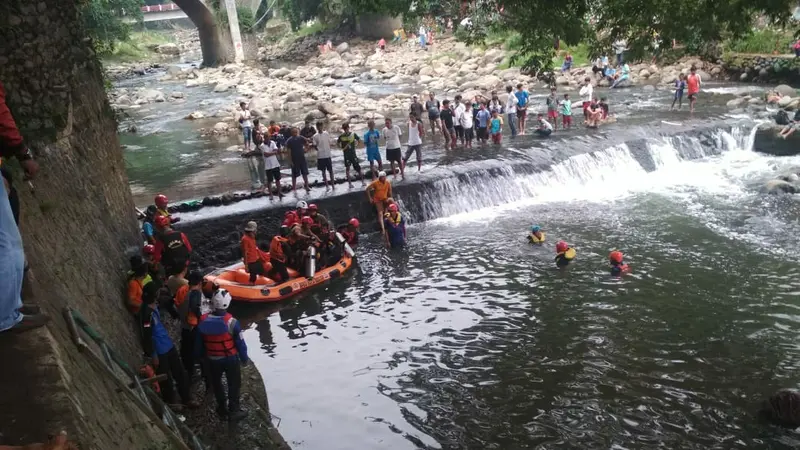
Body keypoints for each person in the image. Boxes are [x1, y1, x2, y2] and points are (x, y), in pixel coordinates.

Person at [140, 282, 198, 409]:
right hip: (159, 350)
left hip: (167, 344)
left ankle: (186, 398)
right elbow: (147, 336)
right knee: (166, 379)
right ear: (154, 294)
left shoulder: (154, 306)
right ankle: (171, 402)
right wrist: (153, 354)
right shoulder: (146, 314)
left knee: (180, 372)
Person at [196, 289, 249, 422]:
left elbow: (199, 343)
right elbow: (240, 343)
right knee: (234, 384)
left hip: (212, 359)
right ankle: (234, 410)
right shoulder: (232, 322)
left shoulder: (202, 320)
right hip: (230, 358)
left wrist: (200, 357)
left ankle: (221, 408)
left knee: (217, 383)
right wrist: (244, 358)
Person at [173, 270, 204, 377]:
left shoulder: (182, 290)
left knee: (185, 345)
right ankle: (190, 371)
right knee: (192, 347)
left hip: (183, 322)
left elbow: (176, 303)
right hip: (192, 325)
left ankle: (186, 365)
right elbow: (195, 307)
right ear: (200, 283)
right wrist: (201, 316)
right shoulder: (195, 294)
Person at [337, 123, 366, 187]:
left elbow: (359, 140)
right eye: (345, 129)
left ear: (348, 128)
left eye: (346, 128)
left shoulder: (353, 134)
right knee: (348, 168)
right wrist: (341, 148)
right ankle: (350, 184)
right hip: (346, 155)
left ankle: (363, 182)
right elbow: (337, 143)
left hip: (353, 155)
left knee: (358, 168)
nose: (346, 130)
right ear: (343, 129)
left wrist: (357, 145)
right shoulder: (341, 136)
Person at [285, 128, 311, 192]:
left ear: (298, 132)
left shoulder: (300, 137)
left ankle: (307, 186)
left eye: (296, 132)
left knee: (304, 173)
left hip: (302, 158)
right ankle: (294, 188)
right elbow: (288, 151)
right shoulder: (289, 140)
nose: (295, 133)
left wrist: (306, 149)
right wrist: (290, 161)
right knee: (294, 175)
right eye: (293, 132)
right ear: (291, 133)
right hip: (294, 159)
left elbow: (307, 142)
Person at [312, 122, 335, 190]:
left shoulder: (326, 133)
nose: (319, 128)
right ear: (316, 127)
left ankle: (333, 185)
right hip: (321, 156)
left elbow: (329, 142)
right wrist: (319, 150)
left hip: (328, 155)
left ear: (322, 126)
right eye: (318, 126)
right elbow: (314, 145)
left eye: (320, 126)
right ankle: (327, 185)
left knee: (330, 170)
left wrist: (329, 149)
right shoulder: (315, 136)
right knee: (323, 171)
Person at [243, 123, 265, 192]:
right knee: (256, 169)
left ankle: (258, 183)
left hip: (258, 156)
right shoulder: (257, 137)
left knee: (256, 169)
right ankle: (259, 183)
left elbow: (260, 151)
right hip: (258, 156)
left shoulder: (260, 142)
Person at [261, 132, 283, 200]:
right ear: (264, 138)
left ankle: (280, 192)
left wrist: (271, 153)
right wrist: (273, 153)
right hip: (268, 166)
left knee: (278, 179)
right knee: (269, 181)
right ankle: (271, 194)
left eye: (268, 137)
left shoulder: (273, 142)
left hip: (275, 164)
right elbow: (266, 155)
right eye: (266, 137)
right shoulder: (262, 146)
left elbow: (276, 151)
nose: (268, 139)